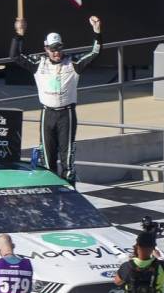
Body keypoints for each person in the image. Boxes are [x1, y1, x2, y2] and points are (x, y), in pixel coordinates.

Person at [10, 16, 103, 184]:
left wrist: (97, 32)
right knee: (47, 159)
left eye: (59, 48)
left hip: (66, 114)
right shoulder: (39, 63)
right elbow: (14, 56)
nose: (56, 52)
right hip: (47, 114)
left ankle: (70, 193)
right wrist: (19, 34)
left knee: (67, 159)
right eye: (52, 49)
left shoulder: (72, 63)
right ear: (45, 48)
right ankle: (51, 194)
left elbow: (95, 52)